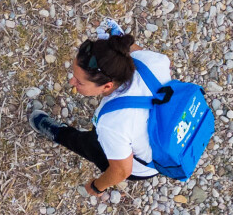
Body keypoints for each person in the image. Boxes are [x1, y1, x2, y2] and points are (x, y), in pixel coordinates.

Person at [28, 19, 172, 200]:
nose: (72, 82)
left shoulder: (112, 123)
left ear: (107, 86)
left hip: (142, 167)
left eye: (79, 81)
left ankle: (58, 133)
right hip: (170, 134)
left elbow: (122, 171)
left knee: (89, 144)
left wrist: (97, 187)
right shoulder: (152, 61)